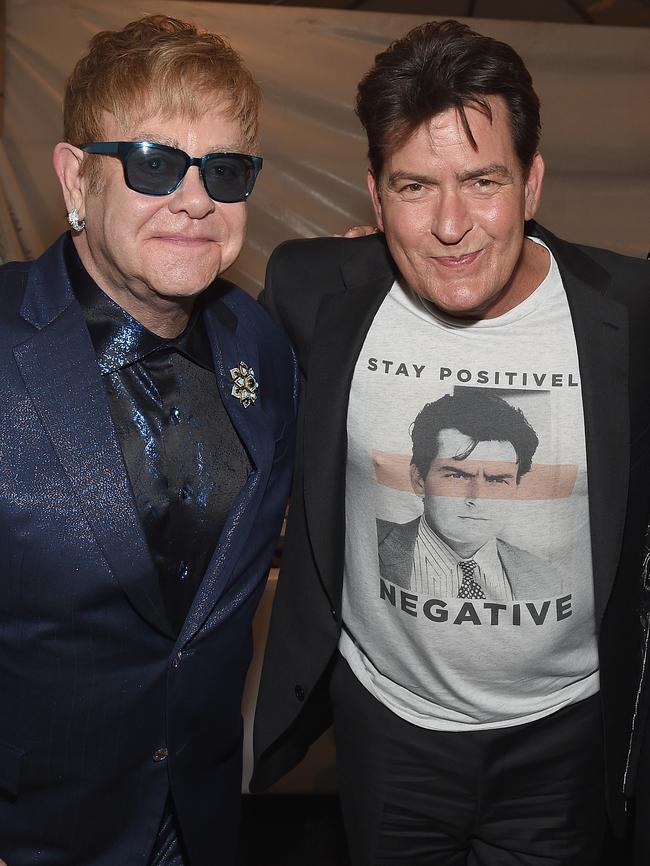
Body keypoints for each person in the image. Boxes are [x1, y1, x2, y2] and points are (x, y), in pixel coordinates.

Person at [252, 18, 650, 865]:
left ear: (532, 182)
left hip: (566, 739)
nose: (450, 224)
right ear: (374, 194)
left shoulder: (631, 312)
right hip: (386, 733)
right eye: (414, 187)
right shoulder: (315, 289)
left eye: (482, 180)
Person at [0, 15, 297, 866]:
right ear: (75, 178)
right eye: (155, 163)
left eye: (226, 171)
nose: (195, 199)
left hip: (196, 824)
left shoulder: (263, 347)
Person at [376, 388, 560, 600]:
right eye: (457, 476)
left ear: (516, 487)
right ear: (419, 479)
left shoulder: (546, 579)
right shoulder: (368, 545)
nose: (476, 498)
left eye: (497, 480)